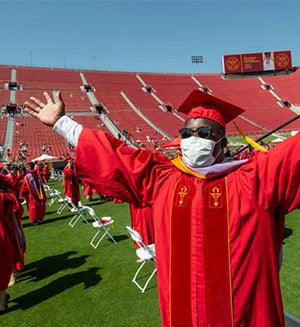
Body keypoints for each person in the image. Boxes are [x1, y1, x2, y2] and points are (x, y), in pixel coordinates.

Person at [24, 90, 300, 327]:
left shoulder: (254, 179)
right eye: (186, 132)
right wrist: (62, 123)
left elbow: (294, 155)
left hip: (242, 315)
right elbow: (115, 155)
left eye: (204, 132)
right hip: (183, 314)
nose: (193, 138)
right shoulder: (163, 178)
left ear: (222, 142)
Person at [20, 161, 47, 226]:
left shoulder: (27, 176)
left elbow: (25, 187)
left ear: (29, 167)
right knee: (40, 205)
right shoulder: (37, 174)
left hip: (31, 194)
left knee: (33, 207)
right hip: (39, 192)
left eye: (27, 167)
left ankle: (34, 220)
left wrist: (22, 193)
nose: (26, 168)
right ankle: (40, 219)